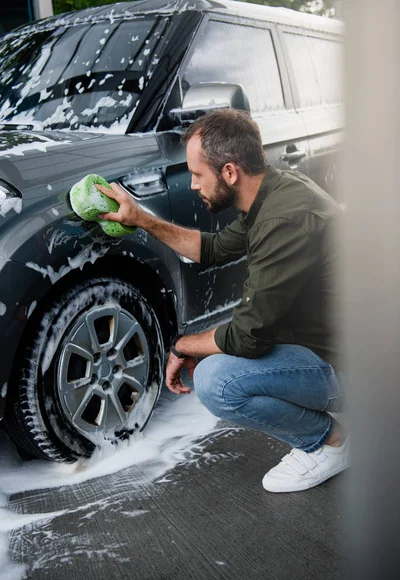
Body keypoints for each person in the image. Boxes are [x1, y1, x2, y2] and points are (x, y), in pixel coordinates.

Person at [96, 109, 349, 493]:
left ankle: (331, 442)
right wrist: (141, 219)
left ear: (229, 172)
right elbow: (211, 249)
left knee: (217, 380)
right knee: (217, 357)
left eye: (198, 174)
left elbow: (248, 336)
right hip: (327, 339)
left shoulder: (282, 221)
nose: (193, 185)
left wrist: (182, 345)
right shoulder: (275, 190)